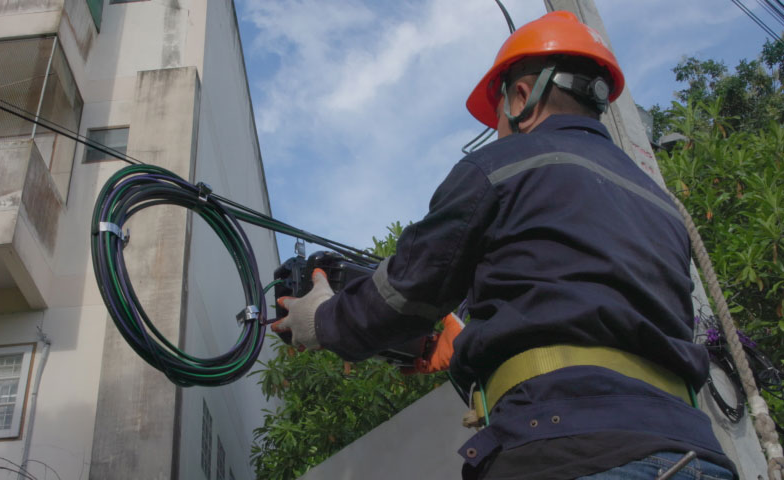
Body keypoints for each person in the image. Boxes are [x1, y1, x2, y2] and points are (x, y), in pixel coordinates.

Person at [273, 11, 735, 480]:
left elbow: (402, 295)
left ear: (520, 96)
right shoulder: (658, 202)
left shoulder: (499, 167)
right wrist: (469, 347)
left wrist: (321, 320)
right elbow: (593, 305)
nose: (496, 130)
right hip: (698, 454)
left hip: (567, 447)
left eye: (495, 115)